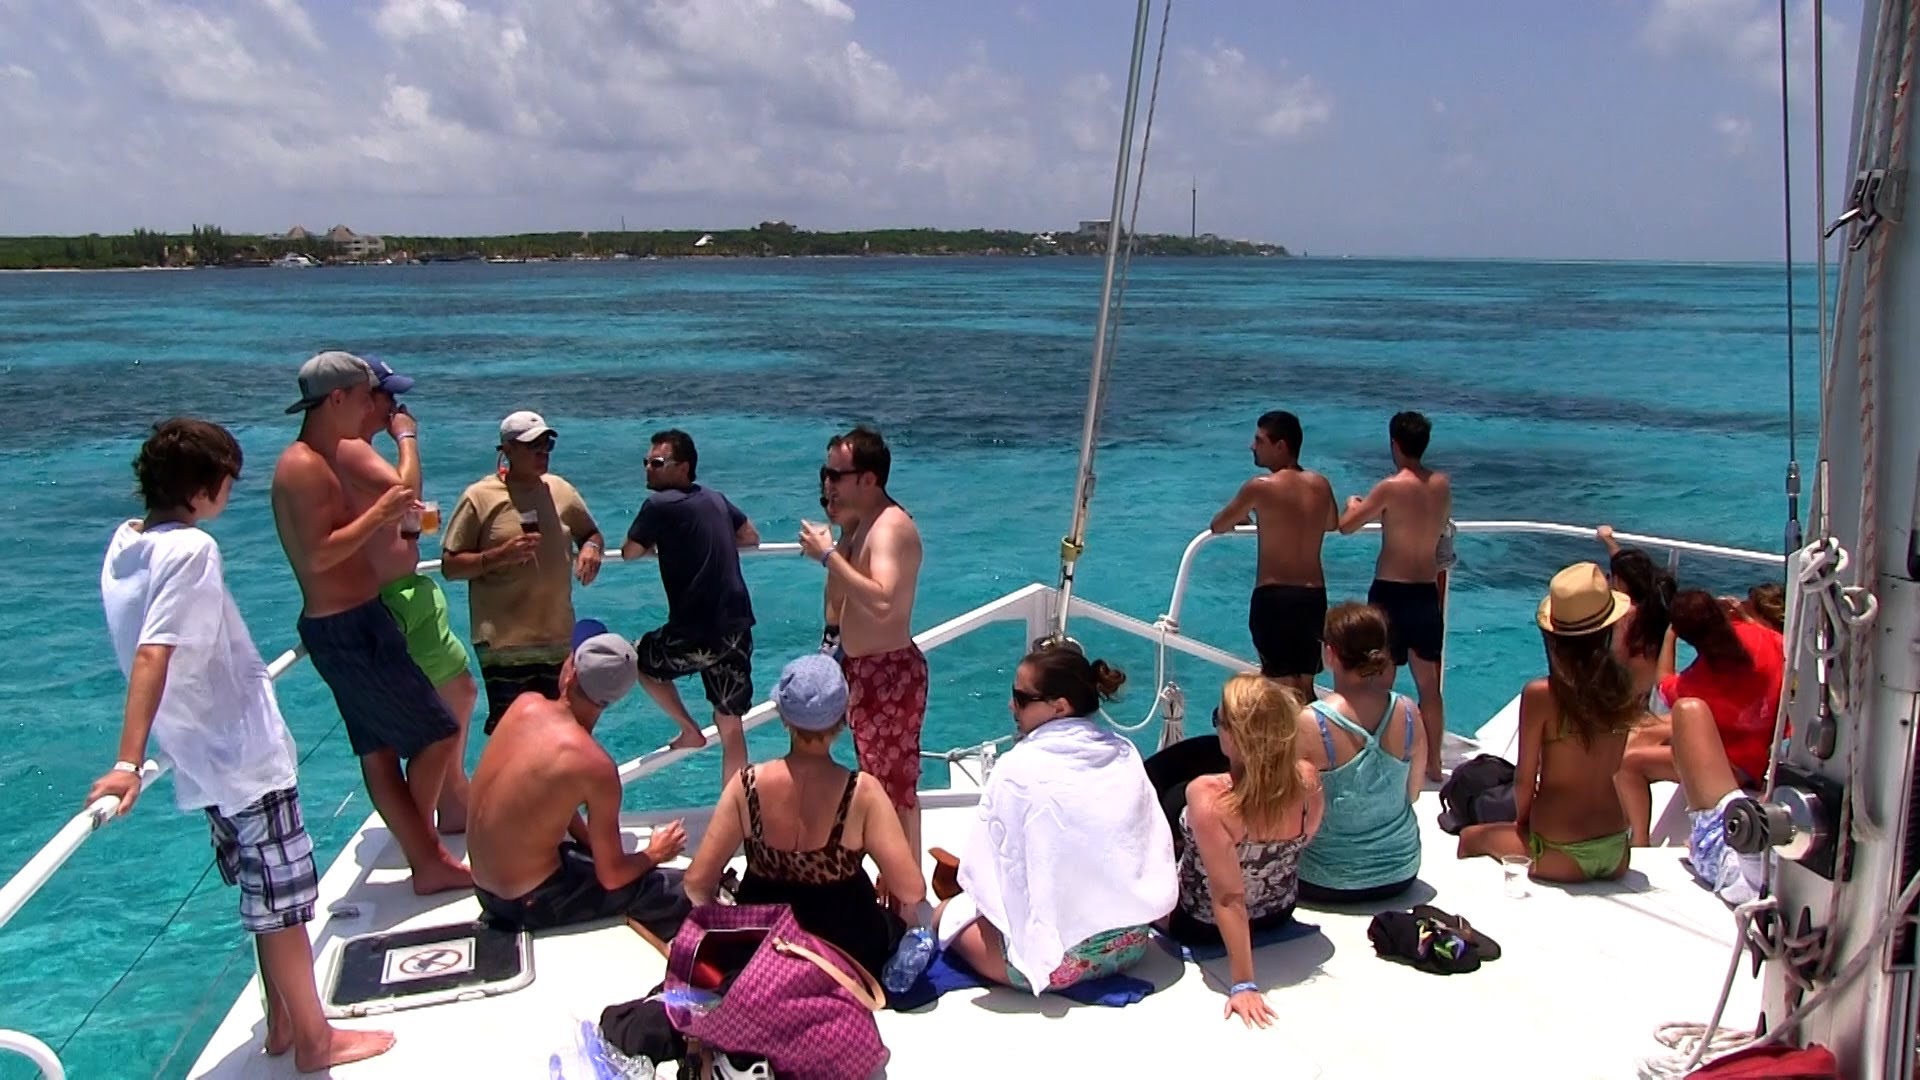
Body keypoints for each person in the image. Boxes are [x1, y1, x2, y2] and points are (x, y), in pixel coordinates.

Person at [91, 418, 394, 1071]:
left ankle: (283, 1026)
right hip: (242, 754)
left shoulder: (126, 544)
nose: (230, 494)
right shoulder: (192, 549)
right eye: (227, 482)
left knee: (262, 899)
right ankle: (317, 1041)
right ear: (204, 489)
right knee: (285, 907)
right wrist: (124, 763)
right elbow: (154, 652)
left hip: (200, 760)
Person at [269, 351, 469, 894]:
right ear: (336, 399)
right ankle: (424, 854)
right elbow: (315, 558)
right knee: (439, 730)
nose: (373, 409)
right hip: (347, 626)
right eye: (363, 398)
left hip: (356, 619)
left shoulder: (322, 455)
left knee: (378, 751)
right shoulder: (304, 465)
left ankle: (426, 861)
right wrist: (380, 517)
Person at [934, 646, 1177, 995]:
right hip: (1132, 945)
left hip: (1058, 969)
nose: (1010, 706)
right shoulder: (1124, 753)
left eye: (1020, 698)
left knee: (945, 915)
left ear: (1059, 706)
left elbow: (988, 872)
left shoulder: (1018, 768)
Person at [684, 654, 926, 977]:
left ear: (785, 718)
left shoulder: (746, 785)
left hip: (764, 956)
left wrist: (730, 933)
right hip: (846, 959)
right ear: (842, 717)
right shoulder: (862, 792)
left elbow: (696, 884)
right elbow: (911, 890)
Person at [467, 620, 692, 933]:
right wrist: (655, 853)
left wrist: (591, 843)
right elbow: (612, 877)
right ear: (612, 700)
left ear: (569, 671)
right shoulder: (594, 766)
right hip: (527, 903)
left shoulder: (524, 705)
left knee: (590, 858)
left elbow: (545, 793)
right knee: (675, 888)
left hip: (483, 889)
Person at [799, 426, 928, 878]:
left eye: (838, 474)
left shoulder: (890, 529)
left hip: (888, 673)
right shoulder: (859, 525)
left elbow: (884, 598)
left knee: (893, 790)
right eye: (825, 473)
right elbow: (841, 599)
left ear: (869, 479)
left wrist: (825, 556)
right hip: (863, 669)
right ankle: (896, 884)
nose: (828, 483)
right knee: (876, 782)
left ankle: (908, 894)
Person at [355, 356, 477, 833]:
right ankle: (427, 828)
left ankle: (452, 806)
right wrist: (407, 438)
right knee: (442, 714)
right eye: (388, 397)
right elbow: (403, 493)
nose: (396, 406)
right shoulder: (353, 453)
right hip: (392, 599)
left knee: (454, 700)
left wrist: (408, 531)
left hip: (404, 588)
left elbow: (398, 514)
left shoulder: (358, 455)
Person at [1457, 563, 1638, 883]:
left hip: (1557, 849)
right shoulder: (1623, 687)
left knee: (1471, 837)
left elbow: (1524, 781)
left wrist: (1523, 822)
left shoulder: (1542, 694)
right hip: (1616, 847)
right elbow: (1613, 765)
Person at [1162, 674, 1322, 1029]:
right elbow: (1303, 840)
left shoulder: (1208, 795)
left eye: (1219, 720)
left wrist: (1244, 983)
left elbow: (1229, 896)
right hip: (1277, 911)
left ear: (1234, 736)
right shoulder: (1308, 780)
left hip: (1199, 926)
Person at [440, 411, 605, 735]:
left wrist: (591, 549)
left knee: (564, 732)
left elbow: (590, 533)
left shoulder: (559, 489)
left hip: (558, 638)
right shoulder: (479, 496)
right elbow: (450, 565)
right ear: (508, 449)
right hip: (505, 645)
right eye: (533, 445)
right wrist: (497, 556)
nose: (542, 451)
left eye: (547, 444)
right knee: (513, 736)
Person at [621, 429, 761, 785]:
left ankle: (688, 729)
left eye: (656, 463)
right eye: (646, 462)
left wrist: (666, 545)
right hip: (736, 626)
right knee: (731, 727)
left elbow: (630, 551)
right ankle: (737, 818)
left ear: (682, 468)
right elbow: (750, 536)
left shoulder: (659, 505)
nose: (648, 469)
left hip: (696, 631)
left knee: (637, 659)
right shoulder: (714, 499)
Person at [1615, 587, 1785, 844]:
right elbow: (1767, 641)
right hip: (1756, 756)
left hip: (1729, 766)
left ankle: (1639, 841)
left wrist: (1671, 635)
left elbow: (1663, 684)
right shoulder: (1770, 641)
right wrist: (1742, 616)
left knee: (1628, 763)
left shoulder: (1702, 679)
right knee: (1647, 734)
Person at [1338, 411, 1452, 782]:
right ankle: (1433, 762)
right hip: (1424, 591)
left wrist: (1354, 504)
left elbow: (1347, 527)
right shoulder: (1441, 485)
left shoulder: (1390, 487)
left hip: (1390, 593)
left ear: (1395, 444)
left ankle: (1373, 758)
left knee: (1377, 681)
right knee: (1429, 689)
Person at [1295, 602, 1424, 904]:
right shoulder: (1408, 711)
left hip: (1323, 879)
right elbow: (1414, 793)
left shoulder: (1309, 722)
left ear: (1330, 653)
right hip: (1400, 873)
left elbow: (1292, 809)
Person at [1207, 411, 1338, 696]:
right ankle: (1314, 740)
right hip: (1314, 597)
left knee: (1279, 688)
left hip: (1275, 597)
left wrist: (1247, 519)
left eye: (1259, 440)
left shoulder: (1261, 487)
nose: (1252, 447)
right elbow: (1331, 523)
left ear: (1281, 446)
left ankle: (1285, 742)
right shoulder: (1321, 485)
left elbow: (1218, 525)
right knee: (1305, 688)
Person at [1594, 525, 1677, 705]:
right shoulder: (1659, 603)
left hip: (1629, 698)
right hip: (1653, 692)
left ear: (1622, 582)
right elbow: (1625, 568)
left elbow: (1617, 660)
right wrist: (1609, 541)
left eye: (1610, 576)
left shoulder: (1624, 615)